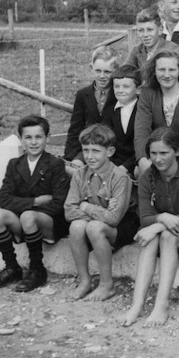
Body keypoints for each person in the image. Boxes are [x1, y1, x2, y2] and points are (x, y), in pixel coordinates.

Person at [122, 128, 179, 327]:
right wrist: (161, 218)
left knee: (165, 236)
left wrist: (156, 226)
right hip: (166, 226)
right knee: (152, 238)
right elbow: (145, 216)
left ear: (177, 152)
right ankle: (137, 305)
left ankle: (162, 304)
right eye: (153, 153)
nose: (158, 159)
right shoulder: (147, 177)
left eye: (164, 153)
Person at [0, 115, 69, 292]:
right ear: (21, 139)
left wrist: (24, 208)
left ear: (47, 138)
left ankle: (37, 270)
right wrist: (35, 201)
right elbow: (4, 199)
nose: (34, 142)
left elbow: (58, 203)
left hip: (50, 224)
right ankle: (12, 268)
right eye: (28, 137)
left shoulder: (55, 164)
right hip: (26, 222)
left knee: (28, 216)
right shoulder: (15, 164)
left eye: (39, 137)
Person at [65, 124, 139, 301]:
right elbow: (68, 210)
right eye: (86, 150)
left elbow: (114, 219)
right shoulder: (79, 174)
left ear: (110, 151)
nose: (89, 156)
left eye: (96, 151)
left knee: (95, 227)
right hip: (99, 221)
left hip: (124, 225)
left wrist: (85, 206)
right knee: (76, 226)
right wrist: (101, 211)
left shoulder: (120, 177)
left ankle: (107, 284)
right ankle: (84, 280)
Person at [64, 46, 118, 173]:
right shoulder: (83, 95)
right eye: (98, 71)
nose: (102, 76)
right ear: (91, 68)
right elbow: (75, 129)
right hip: (88, 149)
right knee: (74, 169)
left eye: (107, 72)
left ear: (115, 70)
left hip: (112, 151)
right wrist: (70, 157)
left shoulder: (120, 94)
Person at [102, 64, 140, 177]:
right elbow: (106, 140)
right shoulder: (109, 111)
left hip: (136, 162)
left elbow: (145, 143)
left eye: (126, 86)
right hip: (114, 162)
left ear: (138, 89)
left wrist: (126, 167)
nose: (120, 90)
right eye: (116, 86)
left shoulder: (143, 110)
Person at [125, 7, 179, 75]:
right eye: (141, 30)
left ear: (160, 30)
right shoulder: (137, 51)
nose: (145, 35)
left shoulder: (173, 50)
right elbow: (124, 72)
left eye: (150, 30)